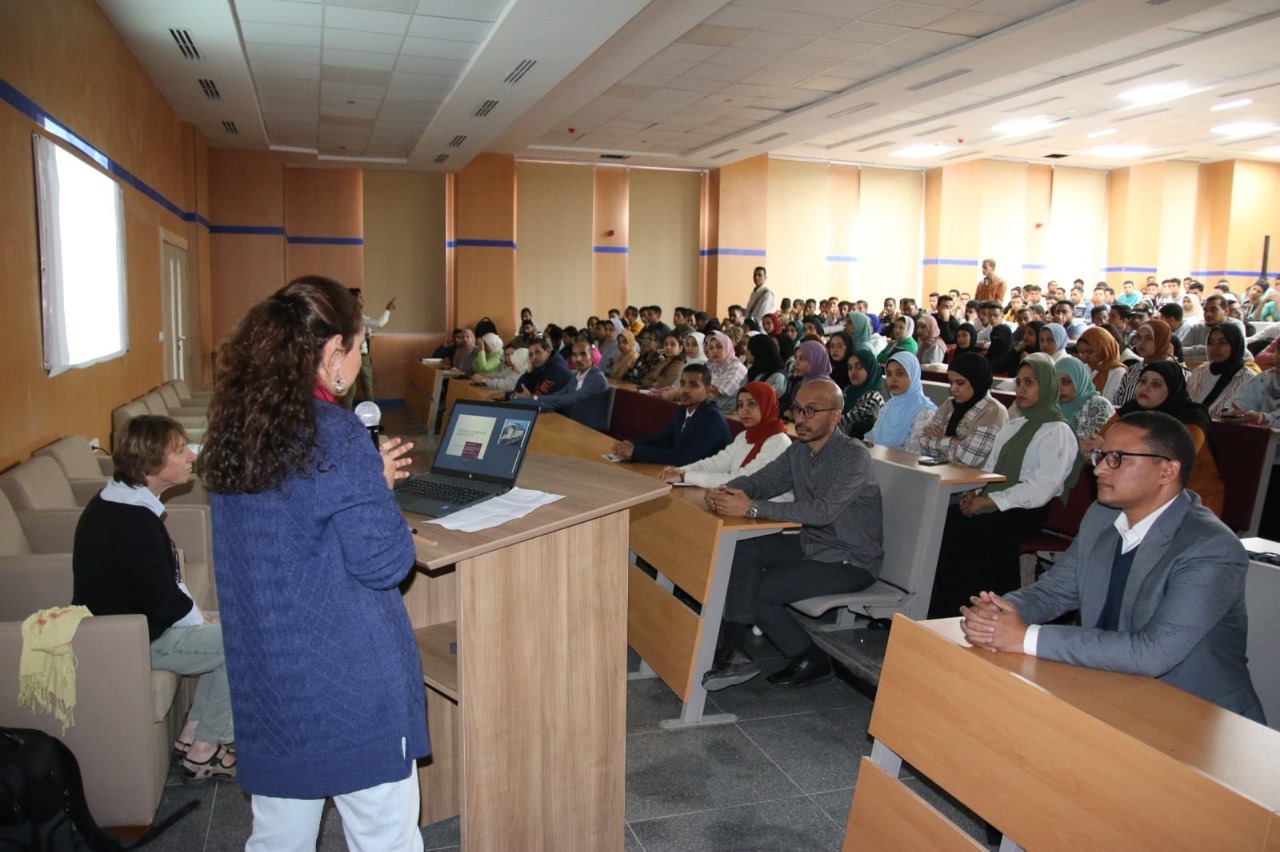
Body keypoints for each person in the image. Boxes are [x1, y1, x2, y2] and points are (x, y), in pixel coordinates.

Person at [198, 276, 427, 850]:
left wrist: (360, 483)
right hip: (347, 679)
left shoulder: (235, 432)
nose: (357, 357)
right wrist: (376, 488)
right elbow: (384, 564)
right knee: (384, 836)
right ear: (333, 354)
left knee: (279, 837)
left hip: (271, 675)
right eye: (358, 346)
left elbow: (294, 527)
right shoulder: (335, 433)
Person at [959, 411, 1264, 723]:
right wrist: (1000, 611)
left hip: (1196, 718)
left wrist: (1023, 637)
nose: (1099, 468)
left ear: (1167, 471)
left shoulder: (1210, 548)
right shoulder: (1101, 515)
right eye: (1101, 455)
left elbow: (1153, 652)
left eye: (1118, 458)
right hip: (1113, 691)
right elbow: (1057, 590)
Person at [72, 415, 236, 782]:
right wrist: (200, 619)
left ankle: (193, 735)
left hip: (137, 623)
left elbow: (162, 586)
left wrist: (200, 617)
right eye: (179, 451)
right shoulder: (131, 522)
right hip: (129, 637)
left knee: (228, 623)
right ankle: (206, 750)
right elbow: (164, 602)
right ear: (151, 464)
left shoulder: (121, 503)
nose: (191, 458)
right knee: (242, 641)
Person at [701, 379, 884, 690]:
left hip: (849, 559)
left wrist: (751, 509)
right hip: (811, 544)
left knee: (758, 589)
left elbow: (822, 511)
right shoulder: (799, 451)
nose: (800, 418)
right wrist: (725, 492)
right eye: (798, 409)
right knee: (743, 548)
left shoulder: (853, 457)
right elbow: (763, 481)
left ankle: (810, 658)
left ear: (836, 416)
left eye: (811, 411)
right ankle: (733, 650)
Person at [927, 354, 1082, 617]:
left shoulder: (1057, 431)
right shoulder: (1015, 425)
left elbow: (1041, 487)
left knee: (976, 538)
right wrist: (973, 493)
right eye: (1019, 382)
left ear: (1047, 386)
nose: (1021, 389)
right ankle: (939, 613)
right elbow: (990, 468)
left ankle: (985, 615)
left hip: (1027, 510)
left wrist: (988, 502)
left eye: (1030, 383)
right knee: (945, 524)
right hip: (995, 501)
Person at [1112, 361, 1226, 517]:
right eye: (1143, 381)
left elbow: (1175, 460)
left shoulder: (1192, 416)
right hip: (1141, 487)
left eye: (1156, 385)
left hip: (1193, 497)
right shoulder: (1132, 409)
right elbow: (1102, 440)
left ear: (1171, 389)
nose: (1145, 388)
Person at [660, 382, 792, 490]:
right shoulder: (745, 436)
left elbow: (743, 480)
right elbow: (716, 464)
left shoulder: (778, 442)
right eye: (740, 405)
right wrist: (680, 471)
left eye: (751, 404)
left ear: (767, 405)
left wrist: (685, 476)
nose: (744, 410)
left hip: (767, 515)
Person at [612, 363, 732, 466]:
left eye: (693, 385)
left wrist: (635, 452)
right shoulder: (684, 409)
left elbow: (686, 458)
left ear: (708, 391)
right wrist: (631, 444)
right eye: (682, 383)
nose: (685, 390)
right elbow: (663, 439)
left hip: (711, 481)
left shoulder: (713, 418)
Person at [918, 352, 1008, 468]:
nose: (953, 388)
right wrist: (956, 442)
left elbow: (967, 460)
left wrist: (942, 439)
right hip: (942, 474)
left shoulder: (993, 412)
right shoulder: (949, 404)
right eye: (950, 382)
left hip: (973, 482)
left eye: (960, 383)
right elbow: (922, 444)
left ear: (976, 381)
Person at [512, 338, 611, 431]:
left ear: (592, 356)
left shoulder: (597, 378)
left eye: (583, 354)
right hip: (573, 426)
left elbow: (572, 398)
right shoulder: (576, 377)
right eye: (574, 355)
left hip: (591, 432)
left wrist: (534, 399)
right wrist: (529, 399)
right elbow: (559, 394)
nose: (578, 359)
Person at [867, 352, 936, 453]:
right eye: (889, 374)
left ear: (913, 375)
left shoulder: (925, 412)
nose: (893, 379)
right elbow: (871, 439)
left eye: (900, 373)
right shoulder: (889, 406)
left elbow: (915, 452)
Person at [1187, 323, 1258, 418]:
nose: (1215, 348)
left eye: (1222, 342)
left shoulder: (1249, 379)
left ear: (1235, 344)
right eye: (1211, 343)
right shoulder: (1198, 373)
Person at [341, 288, 396, 409]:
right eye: (360, 297)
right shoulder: (354, 318)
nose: (363, 300)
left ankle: (351, 418)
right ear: (352, 300)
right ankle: (369, 417)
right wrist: (387, 309)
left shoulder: (354, 317)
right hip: (356, 356)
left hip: (356, 356)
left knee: (355, 389)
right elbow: (379, 323)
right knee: (362, 389)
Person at [1111, 319, 1178, 407]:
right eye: (1139, 338)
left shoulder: (1175, 372)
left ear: (1161, 341)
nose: (1141, 343)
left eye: (1149, 338)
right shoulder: (1134, 368)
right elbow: (1118, 400)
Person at [1056, 356, 1115, 445]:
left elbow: (1099, 447)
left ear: (1080, 381)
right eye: (1055, 383)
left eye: (1067, 382)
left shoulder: (1098, 406)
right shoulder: (1052, 406)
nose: (1059, 389)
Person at [1075, 326, 1128, 401]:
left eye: (1089, 352)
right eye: (1081, 352)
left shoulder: (1118, 371)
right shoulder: (1084, 368)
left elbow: (1108, 402)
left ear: (1104, 349)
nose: (1085, 357)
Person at [780, 340, 831, 414]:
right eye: (796, 358)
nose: (796, 363)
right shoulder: (800, 384)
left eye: (802, 358)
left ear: (817, 359)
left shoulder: (827, 391)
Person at [704, 330, 748, 412]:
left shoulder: (737, 368)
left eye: (719, 347)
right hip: (711, 409)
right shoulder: (711, 366)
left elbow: (719, 393)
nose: (714, 351)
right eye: (711, 348)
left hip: (728, 412)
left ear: (728, 347)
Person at [745, 333, 787, 397]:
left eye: (749, 349)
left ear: (758, 352)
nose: (746, 351)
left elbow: (763, 401)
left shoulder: (777, 377)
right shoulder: (754, 370)